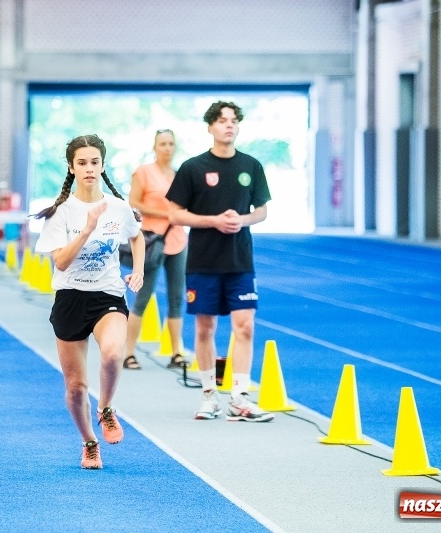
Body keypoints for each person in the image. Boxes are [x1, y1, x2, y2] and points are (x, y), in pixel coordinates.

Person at [34, 134, 144, 469]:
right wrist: (87, 229)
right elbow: (61, 262)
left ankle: (107, 408)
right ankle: (89, 441)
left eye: (94, 162)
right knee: (76, 387)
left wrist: (137, 270)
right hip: (69, 298)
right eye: (82, 163)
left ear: (103, 165)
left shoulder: (119, 207)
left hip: (108, 295)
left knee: (113, 352)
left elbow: (137, 236)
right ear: (71, 167)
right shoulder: (61, 213)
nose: (89, 169)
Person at [166, 101, 274, 423]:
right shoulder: (193, 168)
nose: (229, 126)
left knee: (246, 325)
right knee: (205, 327)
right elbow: (174, 213)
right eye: (222, 121)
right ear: (210, 127)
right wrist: (213, 221)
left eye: (233, 121)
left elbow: (262, 211)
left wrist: (242, 220)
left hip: (240, 260)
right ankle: (209, 396)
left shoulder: (251, 166)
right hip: (203, 261)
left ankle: (239, 397)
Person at [123, 129, 188, 370]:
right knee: (143, 296)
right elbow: (133, 202)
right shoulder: (143, 172)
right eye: (163, 144)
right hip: (152, 240)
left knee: (176, 299)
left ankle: (176, 353)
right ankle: (128, 352)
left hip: (178, 240)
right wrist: (165, 213)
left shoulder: (181, 175)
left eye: (171, 143)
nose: (167, 148)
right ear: (154, 147)